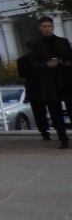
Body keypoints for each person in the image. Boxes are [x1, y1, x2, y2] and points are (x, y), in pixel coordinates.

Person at [26, 17, 72, 148]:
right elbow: (33, 63)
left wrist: (64, 62)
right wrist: (46, 65)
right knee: (55, 112)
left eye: (49, 26)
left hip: (66, 81)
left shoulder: (63, 42)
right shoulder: (36, 44)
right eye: (44, 26)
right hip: (50, 83)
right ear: (40, 28)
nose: (47, 29)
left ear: (53, 27)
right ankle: (63, 138)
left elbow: (69, 57)